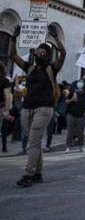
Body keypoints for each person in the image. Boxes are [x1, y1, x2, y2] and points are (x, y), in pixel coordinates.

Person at [10, 26, 65, 187]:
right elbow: (13, 56)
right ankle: (38, 173)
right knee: (34, 142)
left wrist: (57, 40)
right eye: (38, 53)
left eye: (43, 54)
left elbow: (63, 54)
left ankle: (28, 174)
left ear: (47, 56)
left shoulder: (51, 69)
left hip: (44, 108)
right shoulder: (30, 68)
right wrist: (14, 39)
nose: (40, 55)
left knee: (33, 142)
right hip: (27, 108)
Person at [65, 77, 85, 153]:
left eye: (81, 82)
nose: (80, 83)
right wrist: (71, 100)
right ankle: (68, 146)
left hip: (81, 114)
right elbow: (66, 102)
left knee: (80, 131)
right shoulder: (72, 91)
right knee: (70, 131)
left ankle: (81, 146)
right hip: (70, 113)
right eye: (79, 82)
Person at [1, 62, 13, 153]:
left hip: (1, 107)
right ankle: (4, 147)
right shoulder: (5, 80)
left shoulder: (4, 80)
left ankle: (4, 147)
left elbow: (8, 96)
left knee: (3, 128)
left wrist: (6, 110)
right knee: (3, 128)